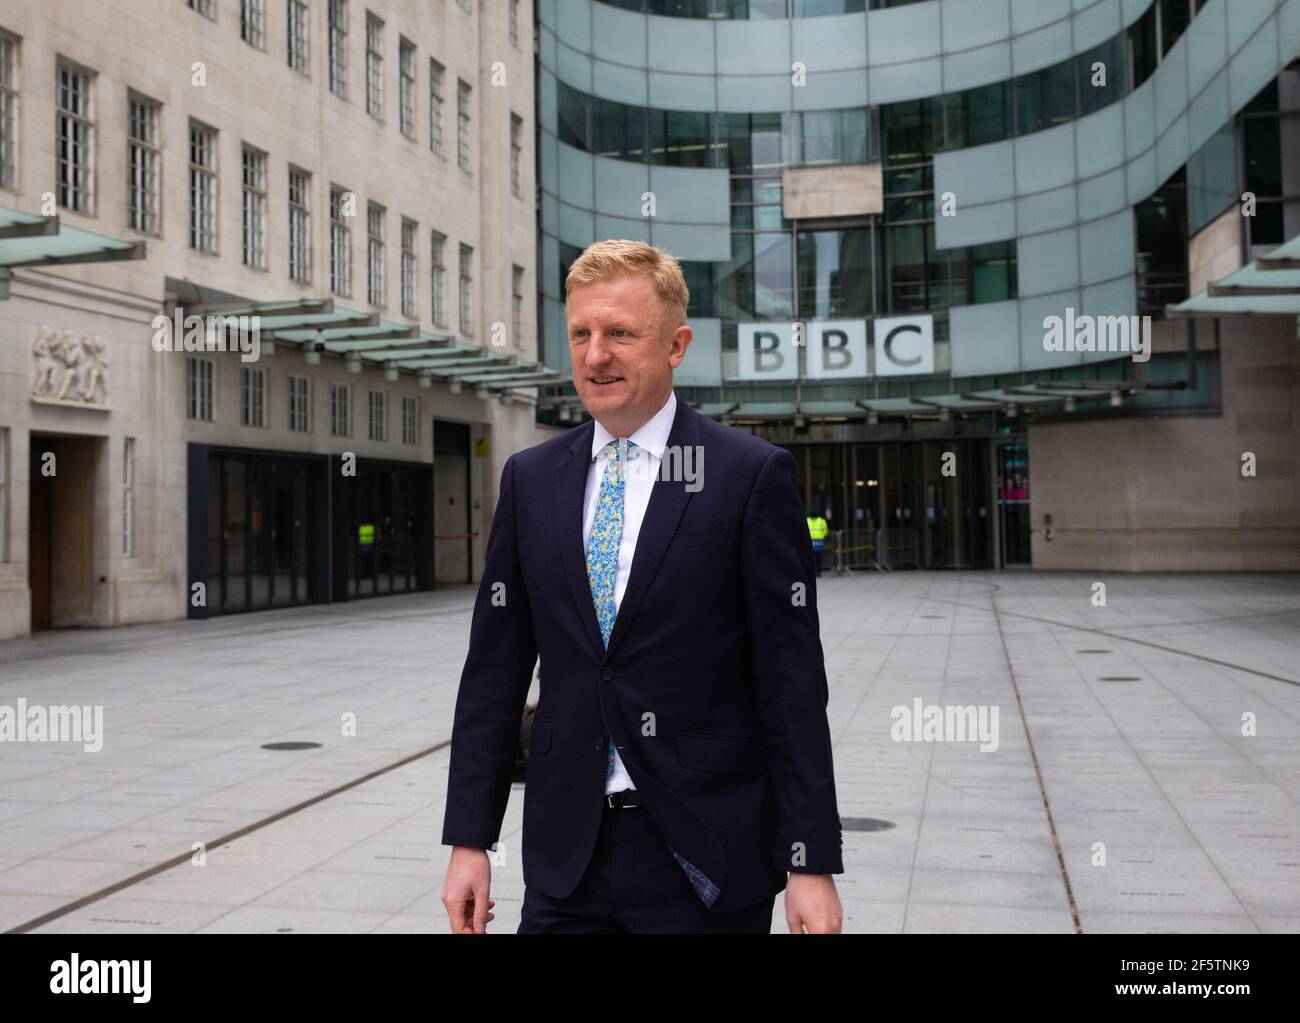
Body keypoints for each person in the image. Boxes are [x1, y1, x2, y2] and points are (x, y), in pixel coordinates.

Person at [440, 240, 844, 934]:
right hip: (567, 862)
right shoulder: (531, 481)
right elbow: (493, 676)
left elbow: (791, 684)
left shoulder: (749, 476)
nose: (595, 355)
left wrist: (809, 861)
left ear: (676, 345)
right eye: (581, 334)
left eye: (620, 333)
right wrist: (470, 840)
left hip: (706, 861)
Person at [806, 509, 829, 577]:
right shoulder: (822, 521)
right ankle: (818, 572)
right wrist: (821, 535)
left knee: (811, 559)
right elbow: (825, 531)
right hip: (819, 542)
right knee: (818, 559)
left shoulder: (807, 520)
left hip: (810, 542)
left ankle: (813, 572)